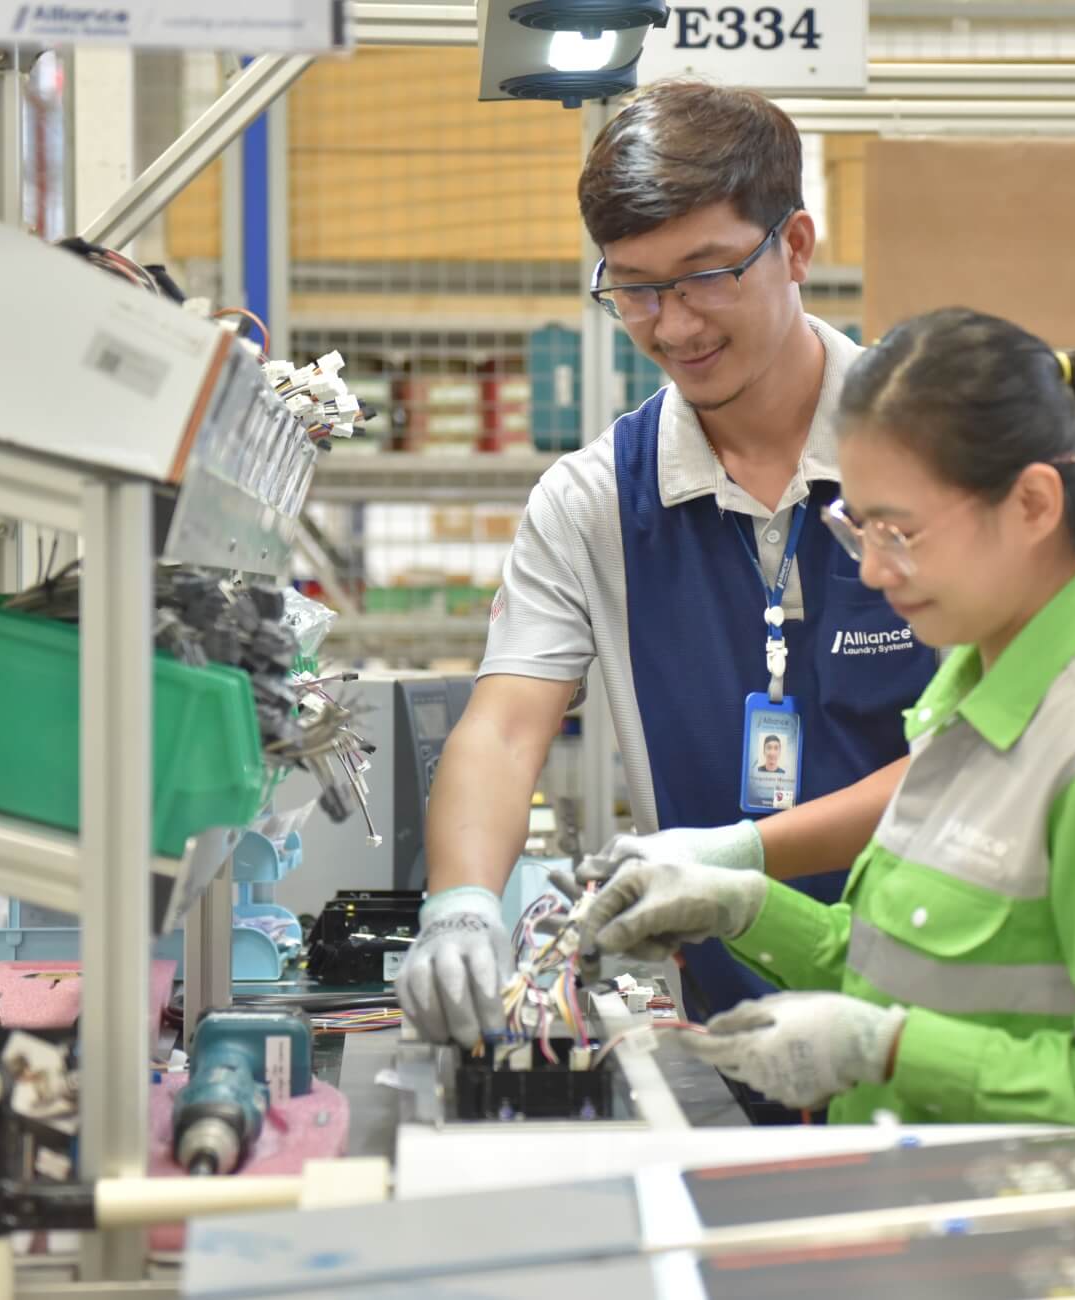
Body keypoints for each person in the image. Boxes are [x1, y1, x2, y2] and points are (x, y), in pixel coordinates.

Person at [564, 308, 1075, 1126]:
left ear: (1034, 504)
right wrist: (741, 905)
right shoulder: (969, 696)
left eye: (901, 531)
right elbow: (902, 967)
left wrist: (888, 1050)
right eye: (857, 526)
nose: (877, 568)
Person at [396, 81, 936, 1069]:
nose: (673, 323)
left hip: (954, 1006)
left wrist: (733, 860)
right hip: (727, 1027)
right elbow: (505, 726)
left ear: (796, 247)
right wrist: (460, 903)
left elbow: (986, 760)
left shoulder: (936, 451)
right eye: (634, 287)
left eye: (705, 275)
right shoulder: (591, 499)